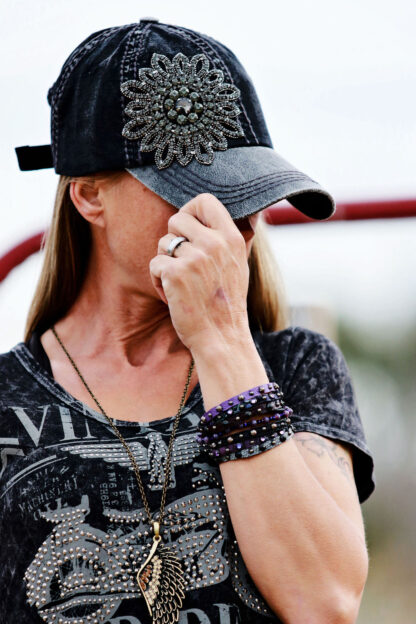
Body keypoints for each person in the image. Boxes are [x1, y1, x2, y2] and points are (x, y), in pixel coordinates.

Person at [1, 19, 375, 624]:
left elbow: (325, 604)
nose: (236, 225)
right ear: (89, 197)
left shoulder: (297, 366)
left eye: (248, 190)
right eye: (195, 191)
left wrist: (222, 340)